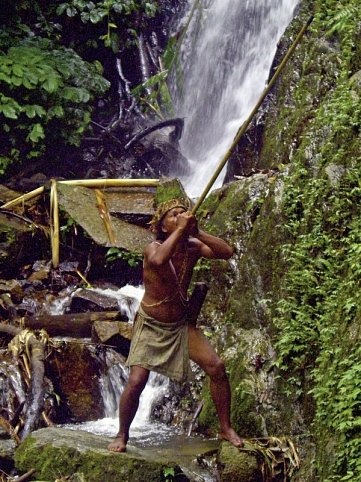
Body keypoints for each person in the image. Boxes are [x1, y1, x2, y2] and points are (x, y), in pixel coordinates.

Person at [108, 198, 243, 452]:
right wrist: (182, 229)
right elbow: (159, 260)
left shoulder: (192, 246)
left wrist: (196, 231)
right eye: (173, 215)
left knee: (217, 367)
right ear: (162, 226)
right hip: (151, 324)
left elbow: (226, 252)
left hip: (180, 325)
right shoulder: (153, 247)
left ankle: (225, 428)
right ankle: (122, 435)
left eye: (183, 213)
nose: (180, 216)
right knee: (137, 381)